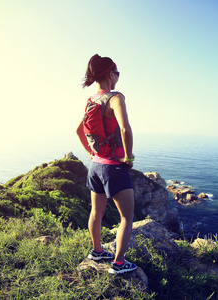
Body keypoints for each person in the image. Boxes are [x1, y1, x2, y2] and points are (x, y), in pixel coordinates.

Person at [76, 54, 137, 274]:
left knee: (96, 212)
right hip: (114, 166)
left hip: (95, 166)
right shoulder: (115, 98)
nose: (118, 77)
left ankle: (97, 250)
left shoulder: (92, 100)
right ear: (111, 74)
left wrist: (92, 154)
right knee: (126, 217)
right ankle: (119, 264)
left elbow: (78, 131)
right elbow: (125, 129)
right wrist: (128, 158)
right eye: (117, 73)